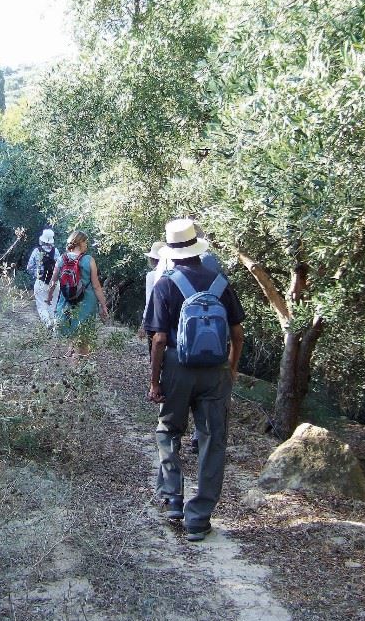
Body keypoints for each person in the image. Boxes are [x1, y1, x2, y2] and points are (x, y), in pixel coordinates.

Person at [143, 218, 245, 541]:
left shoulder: (165, 284)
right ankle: (199, 517)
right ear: (196, 248)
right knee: (212, 439)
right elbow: (237, 332)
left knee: (168, 430)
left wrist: (155, 380)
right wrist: (231, 366)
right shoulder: (219, 282)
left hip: (177, 367)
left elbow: (159, 339)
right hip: (215, 371)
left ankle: (173, 497)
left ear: (171, 251)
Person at [46, 230, 109, 357]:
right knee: (83, 340)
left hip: (67, 302)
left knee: (73, 338)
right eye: (85, 241)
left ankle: (74, 370)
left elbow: (53, 282)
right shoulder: (89, 260)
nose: (87, 244)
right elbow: (96, 286)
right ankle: (79, 371)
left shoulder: (61, 259)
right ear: (80, 242)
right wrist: (103, 305)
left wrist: (49, 297)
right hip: (86, 303)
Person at [26, 228, 61, 328]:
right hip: (54, 283)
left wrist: (36, 275)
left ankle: (47, 323)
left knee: (42, 306)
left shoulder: (37, 251)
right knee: (53, 306)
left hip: (41, 282)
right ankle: (54, 326)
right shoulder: (56, 251)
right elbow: (59, 267)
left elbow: (29, 267)